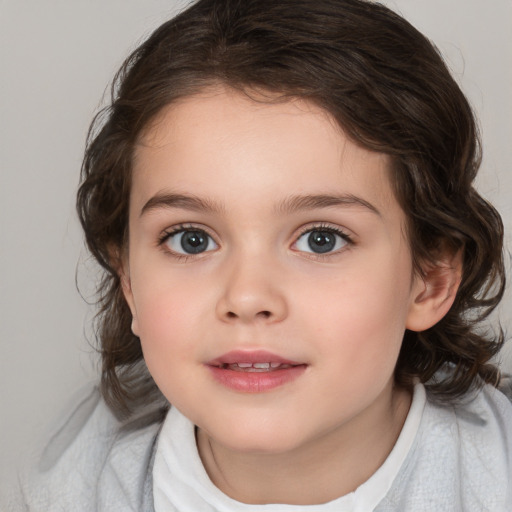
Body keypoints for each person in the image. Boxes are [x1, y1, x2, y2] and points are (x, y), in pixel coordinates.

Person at [8, 0, 511, 510]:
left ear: (430, 278)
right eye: (191, 239)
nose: (247, 298)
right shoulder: (65, 484)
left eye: (321, 239)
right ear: (129, 280)